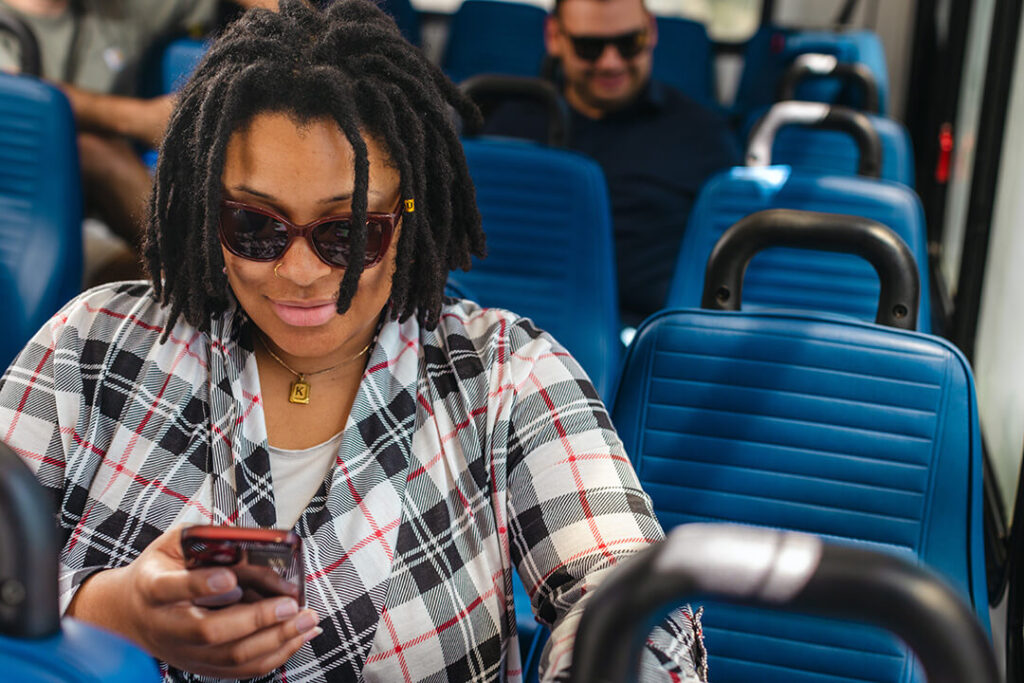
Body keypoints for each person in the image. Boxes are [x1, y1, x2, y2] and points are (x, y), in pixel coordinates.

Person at [0, 2, 707, 681]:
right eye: (255, 227)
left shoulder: (507, 374)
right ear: (200, 203)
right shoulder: (94, 341)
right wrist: (109, 611)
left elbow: (631, 596)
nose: (303, 273)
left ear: (410, 215)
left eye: (349, 233)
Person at [483, 0, 742, 328]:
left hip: (646, 334)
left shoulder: (705, 137)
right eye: (589, 47)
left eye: (628, 44)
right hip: (510, 323)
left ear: (651, 32)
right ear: (554, 37)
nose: (610, 63)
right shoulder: (507, 126)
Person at [0, 0, 277, 285]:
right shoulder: (10, 26)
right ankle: (200, 273)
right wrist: (139, 118)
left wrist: (305, 28)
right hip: (24, 222)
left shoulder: (116, 12)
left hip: (96, 230)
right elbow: (16, 90)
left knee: (143, 286)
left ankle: (212, 275)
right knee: (92, 150)